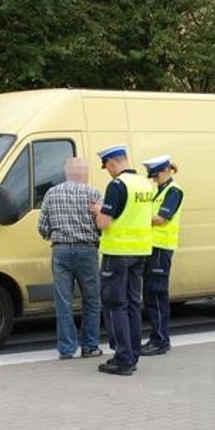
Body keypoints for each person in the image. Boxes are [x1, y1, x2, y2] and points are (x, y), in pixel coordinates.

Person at [91, 143, 154, 376]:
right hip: (141, 252)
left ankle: (122, 359)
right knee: (133, 305)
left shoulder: (117, 185)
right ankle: (133, 354)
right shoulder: (144, 183)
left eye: (106, 165)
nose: (107, 170)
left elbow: (104, 223)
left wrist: (98, 210)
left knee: (114, 305)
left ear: (114, 162)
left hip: (117, 253)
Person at [37, 157, 104, 360]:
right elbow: (102, 223)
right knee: (92, 300)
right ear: (83, 174)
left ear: (67, 173)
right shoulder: (93, 193)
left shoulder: (51, 193)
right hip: (87, 251)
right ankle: (90, 346)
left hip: (61, 251)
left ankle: (66, 349)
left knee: (63, 302)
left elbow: (42, 225)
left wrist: (55, 237)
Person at [140, 155, 183, 356]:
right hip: (152, 248)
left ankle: (161, 340)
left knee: (157, 294)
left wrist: (137, 217)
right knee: (150, 293)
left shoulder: (174, 191)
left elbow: (161, 219)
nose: (154, 179)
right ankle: (157, 337)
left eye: (155, 175)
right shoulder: (160, 190)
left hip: (161, 248)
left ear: (166, 170)